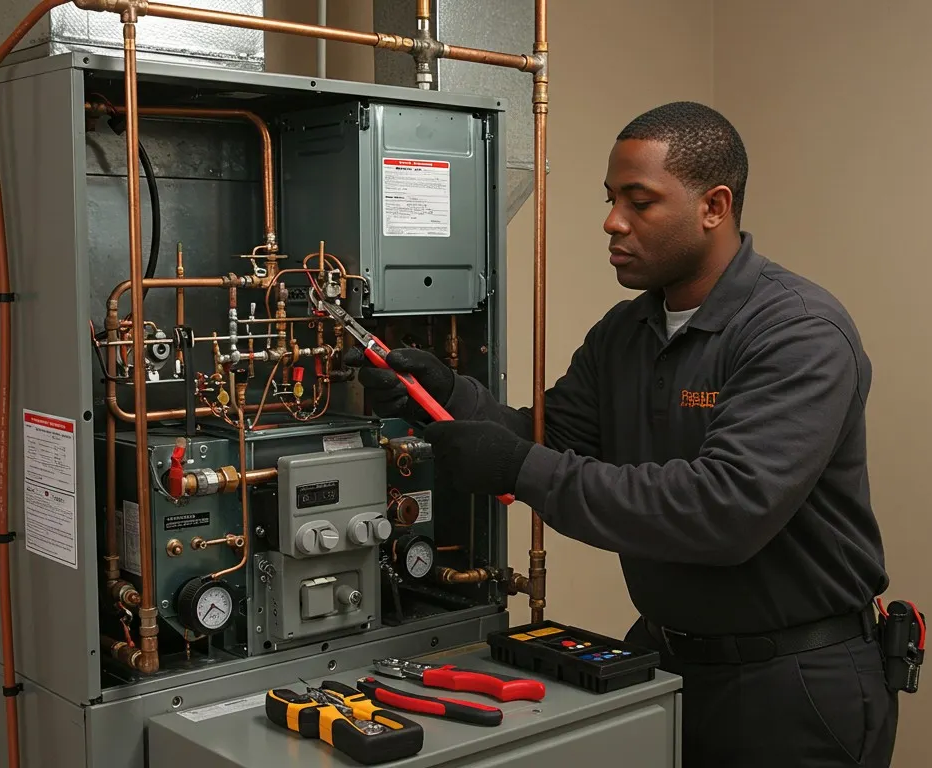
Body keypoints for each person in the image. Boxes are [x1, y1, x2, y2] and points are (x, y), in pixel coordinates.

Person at [346, 101, 899, 766]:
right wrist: (441, 394)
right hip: (667, 659)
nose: (613, 222)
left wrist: (519, 467)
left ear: (713, 207)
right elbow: (549, 440)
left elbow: (725, 511)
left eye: (640, 202)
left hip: (791, 682)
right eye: (612, 200)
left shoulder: (796, 333)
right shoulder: (625, 332)